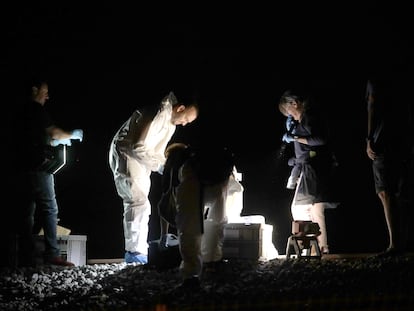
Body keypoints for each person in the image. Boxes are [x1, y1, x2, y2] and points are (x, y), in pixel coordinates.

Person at [109, 91, 199, 264]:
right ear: (180, 108)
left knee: (142, 203)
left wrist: (168, 166)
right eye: (186, 119)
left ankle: (137, 250)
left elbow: (156, 152)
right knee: (137, 201)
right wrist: (161, 166)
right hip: (127, 154)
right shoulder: (158, 113)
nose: (185, 124)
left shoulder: (169, 124)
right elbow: (137, 146)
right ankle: (134, 252)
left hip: (139, 160)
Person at [17, 77, 84, 267]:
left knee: (26, 214)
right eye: (44, 91)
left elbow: (34, 137)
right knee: (49, 208)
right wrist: (70, 135)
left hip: (21, 169)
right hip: (38, 169)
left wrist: (52, 142)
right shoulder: (36, 109)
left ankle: (25, 257)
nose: (47, 95)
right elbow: (53, 132)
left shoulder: (20, 111)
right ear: (34, 89)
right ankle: (52, 254)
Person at [161, 143, 241, 288]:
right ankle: (213, 262)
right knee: (217, 222)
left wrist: (163, 236)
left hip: (197, 181)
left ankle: (191, 276)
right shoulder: (211, 161)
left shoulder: (180, 166)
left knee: (190, 229)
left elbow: (171, 204)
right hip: (224, 181)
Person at [279, 89, 338, 255]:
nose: (288, 115)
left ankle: (307, 245)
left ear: (294, 104)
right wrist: (295, 160)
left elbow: (320, 139)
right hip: (315, 167)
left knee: (299, 208)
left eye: (288, 111)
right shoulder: (304, 120)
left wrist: (295, 138)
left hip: (313, 169)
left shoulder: (309, 117)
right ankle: (320, 247)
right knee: (316, 209)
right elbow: (305, 151)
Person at [365, 76, 412, 255]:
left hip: (383, 139)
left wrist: (369, 138)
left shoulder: (375, 80)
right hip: (403, 138)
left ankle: (395, 244)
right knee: (400, 192)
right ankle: (402, 242)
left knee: (386, 192)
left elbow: (372, 105)